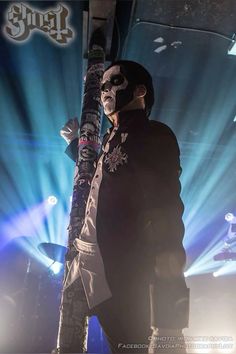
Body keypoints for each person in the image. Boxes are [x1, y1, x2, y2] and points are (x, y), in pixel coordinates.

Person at [60, 60, 189, 353]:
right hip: (87, 263)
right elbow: (103, 176)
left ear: (140, 90)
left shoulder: (153, 134)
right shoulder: (110, 138)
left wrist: (169, 315)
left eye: (114, 83)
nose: (105, 91)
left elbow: (167, 212)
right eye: (102, 86)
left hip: (124, 272)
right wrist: (75, 144)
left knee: (130, 345)